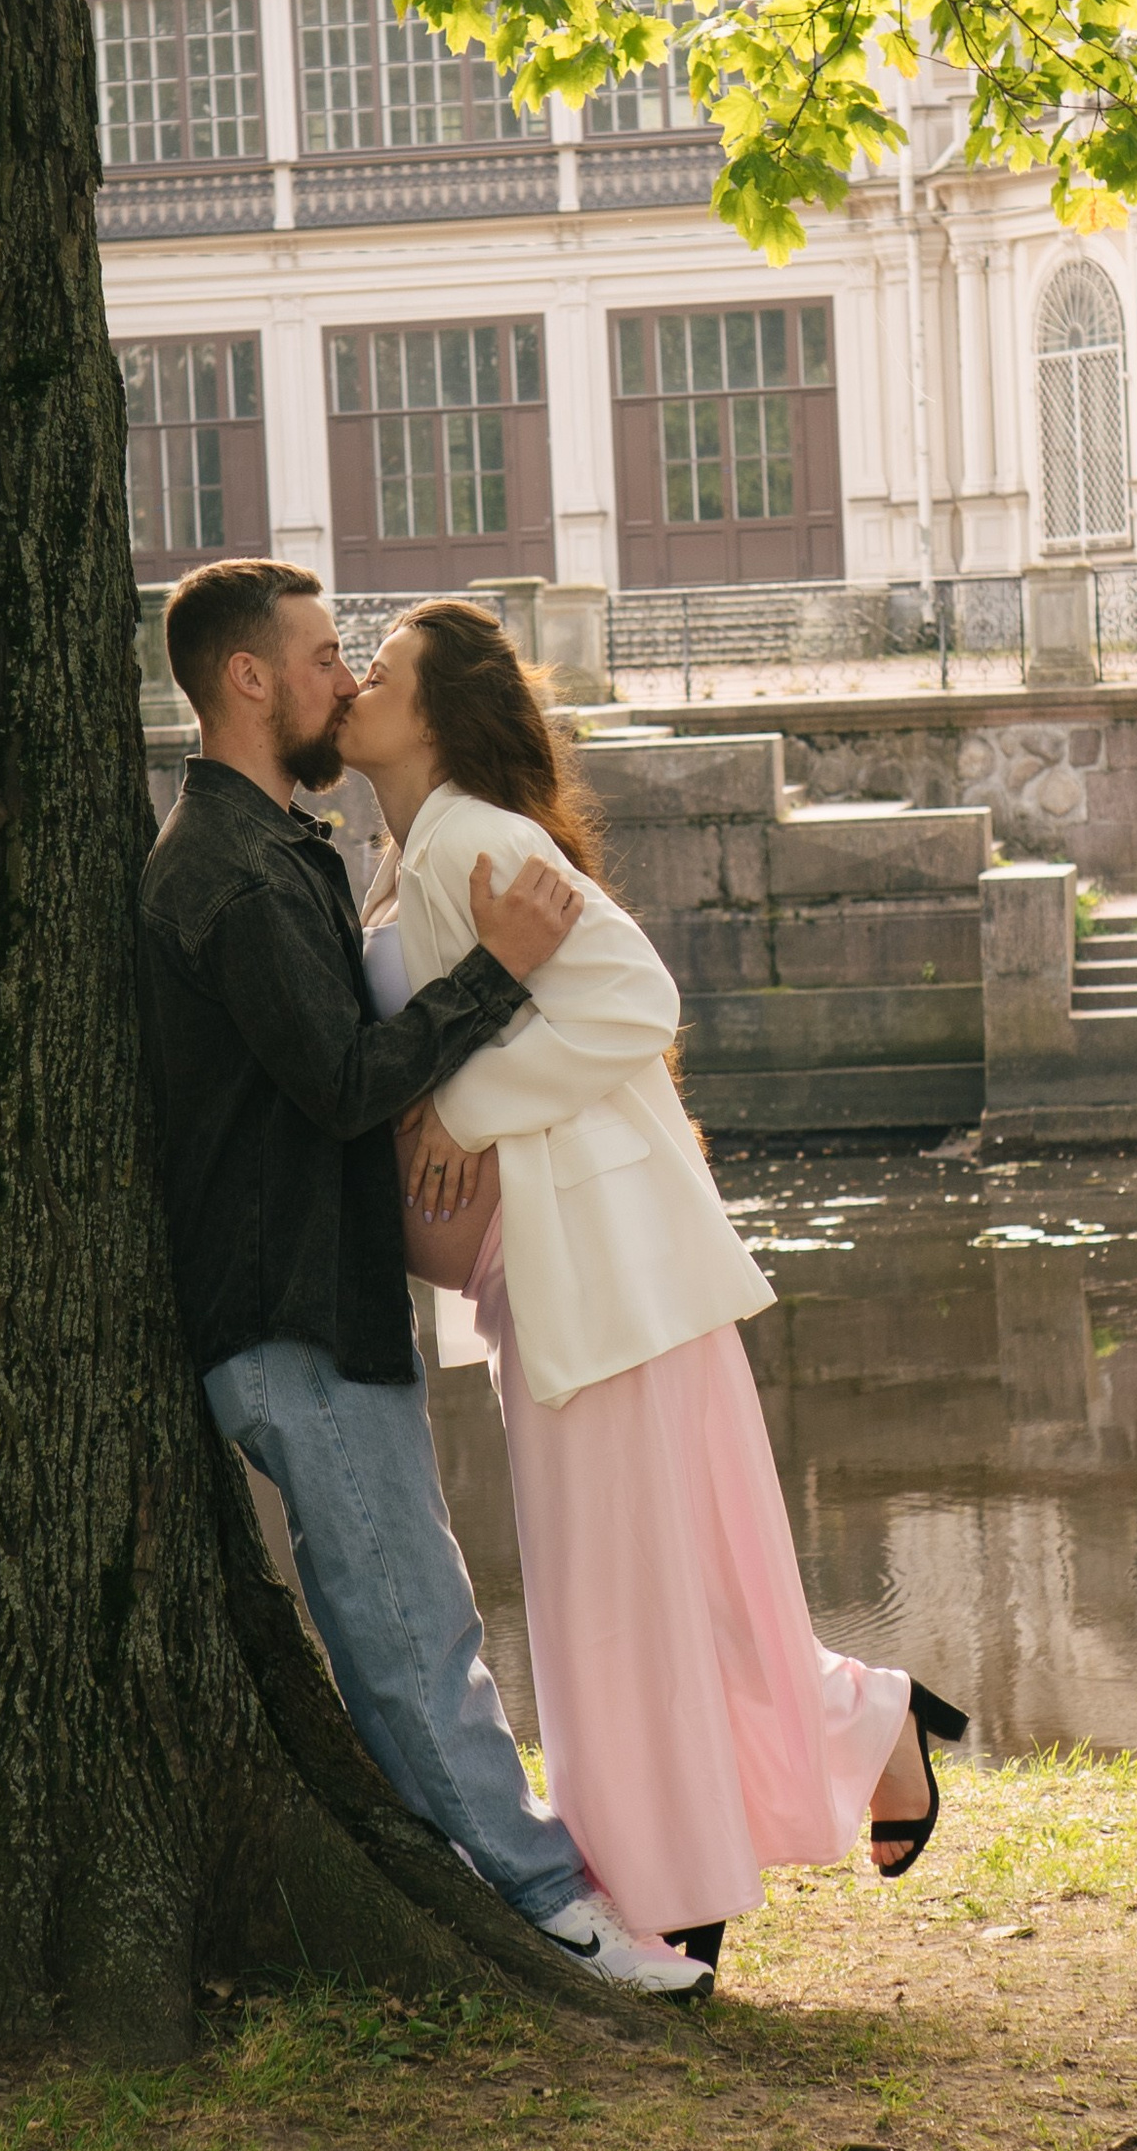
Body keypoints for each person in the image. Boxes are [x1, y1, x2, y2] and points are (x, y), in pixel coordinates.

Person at [337, 598, 969, 1980]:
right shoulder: (407, 857)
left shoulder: (478, 841)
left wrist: (463, 1114)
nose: (353, 683)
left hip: (590, 1262)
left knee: (614, 1592)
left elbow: (634, 999)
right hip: (549, 1272)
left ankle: (670, 1889)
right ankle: (852, 1734)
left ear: (437, 712)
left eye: (375, 669)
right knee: (652, 1577)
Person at [136, 558, 711, 1998]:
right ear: (253, 679)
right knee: (410, 1626)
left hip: (322, 1302)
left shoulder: (283, 850)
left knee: (406, 1611)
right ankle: (551, 1911)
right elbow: (337, 1080)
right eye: (327, 656)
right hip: (286, 1312)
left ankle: (501, 1886)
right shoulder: (226, 868)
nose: (346, 679)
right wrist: (494, 977)